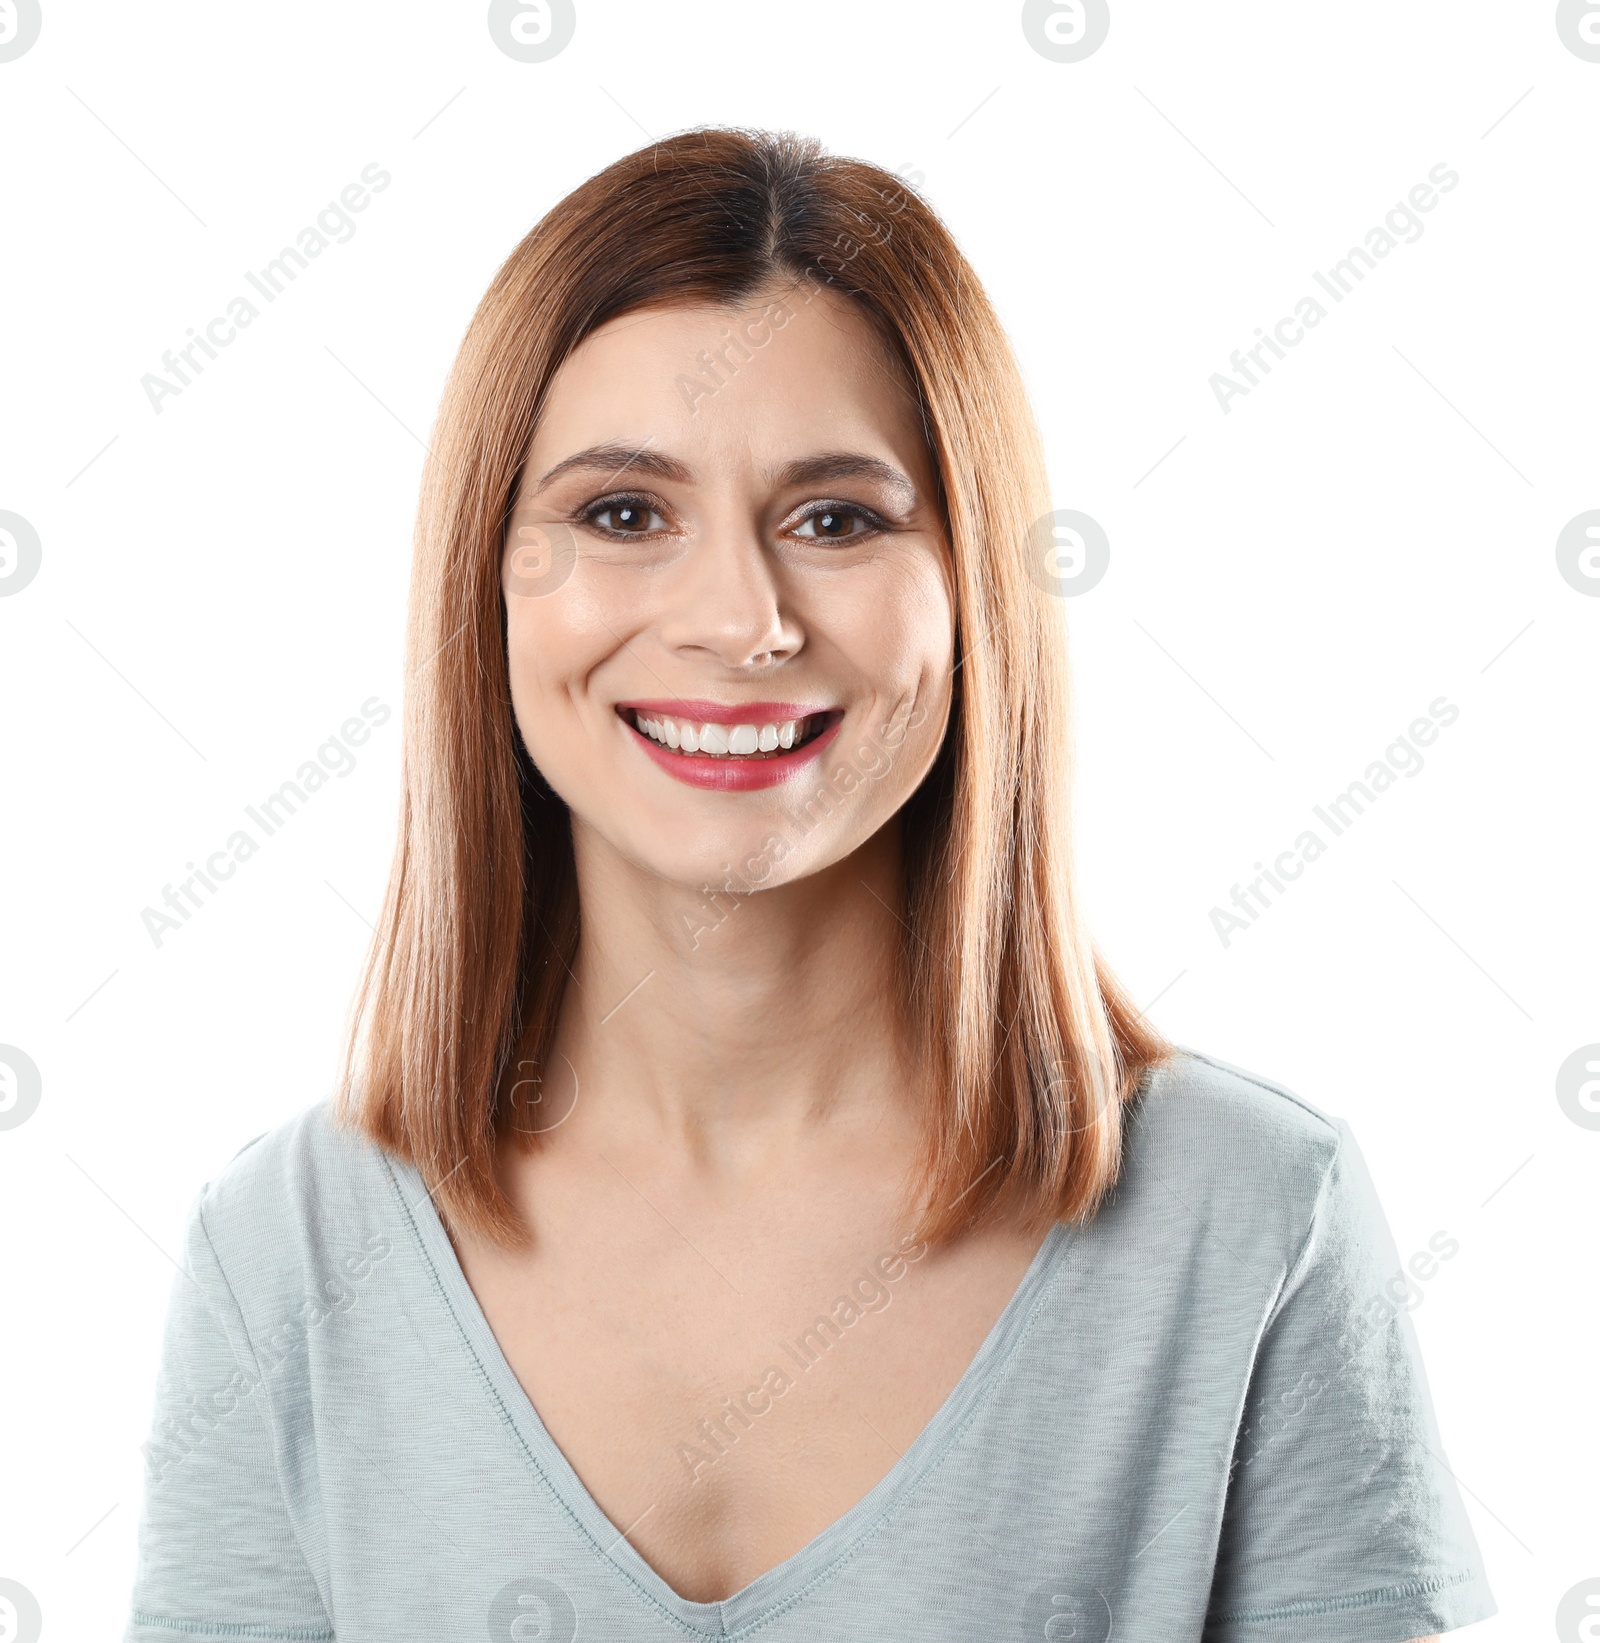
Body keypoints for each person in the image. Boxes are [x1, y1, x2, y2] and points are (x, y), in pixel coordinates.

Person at [125, 128, 1493, 1643]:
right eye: (624, 514)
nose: (741, 620)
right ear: (485, 581)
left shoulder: (1252, 1222)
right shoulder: (282, 1256)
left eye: (837, 518)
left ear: (973, 588)